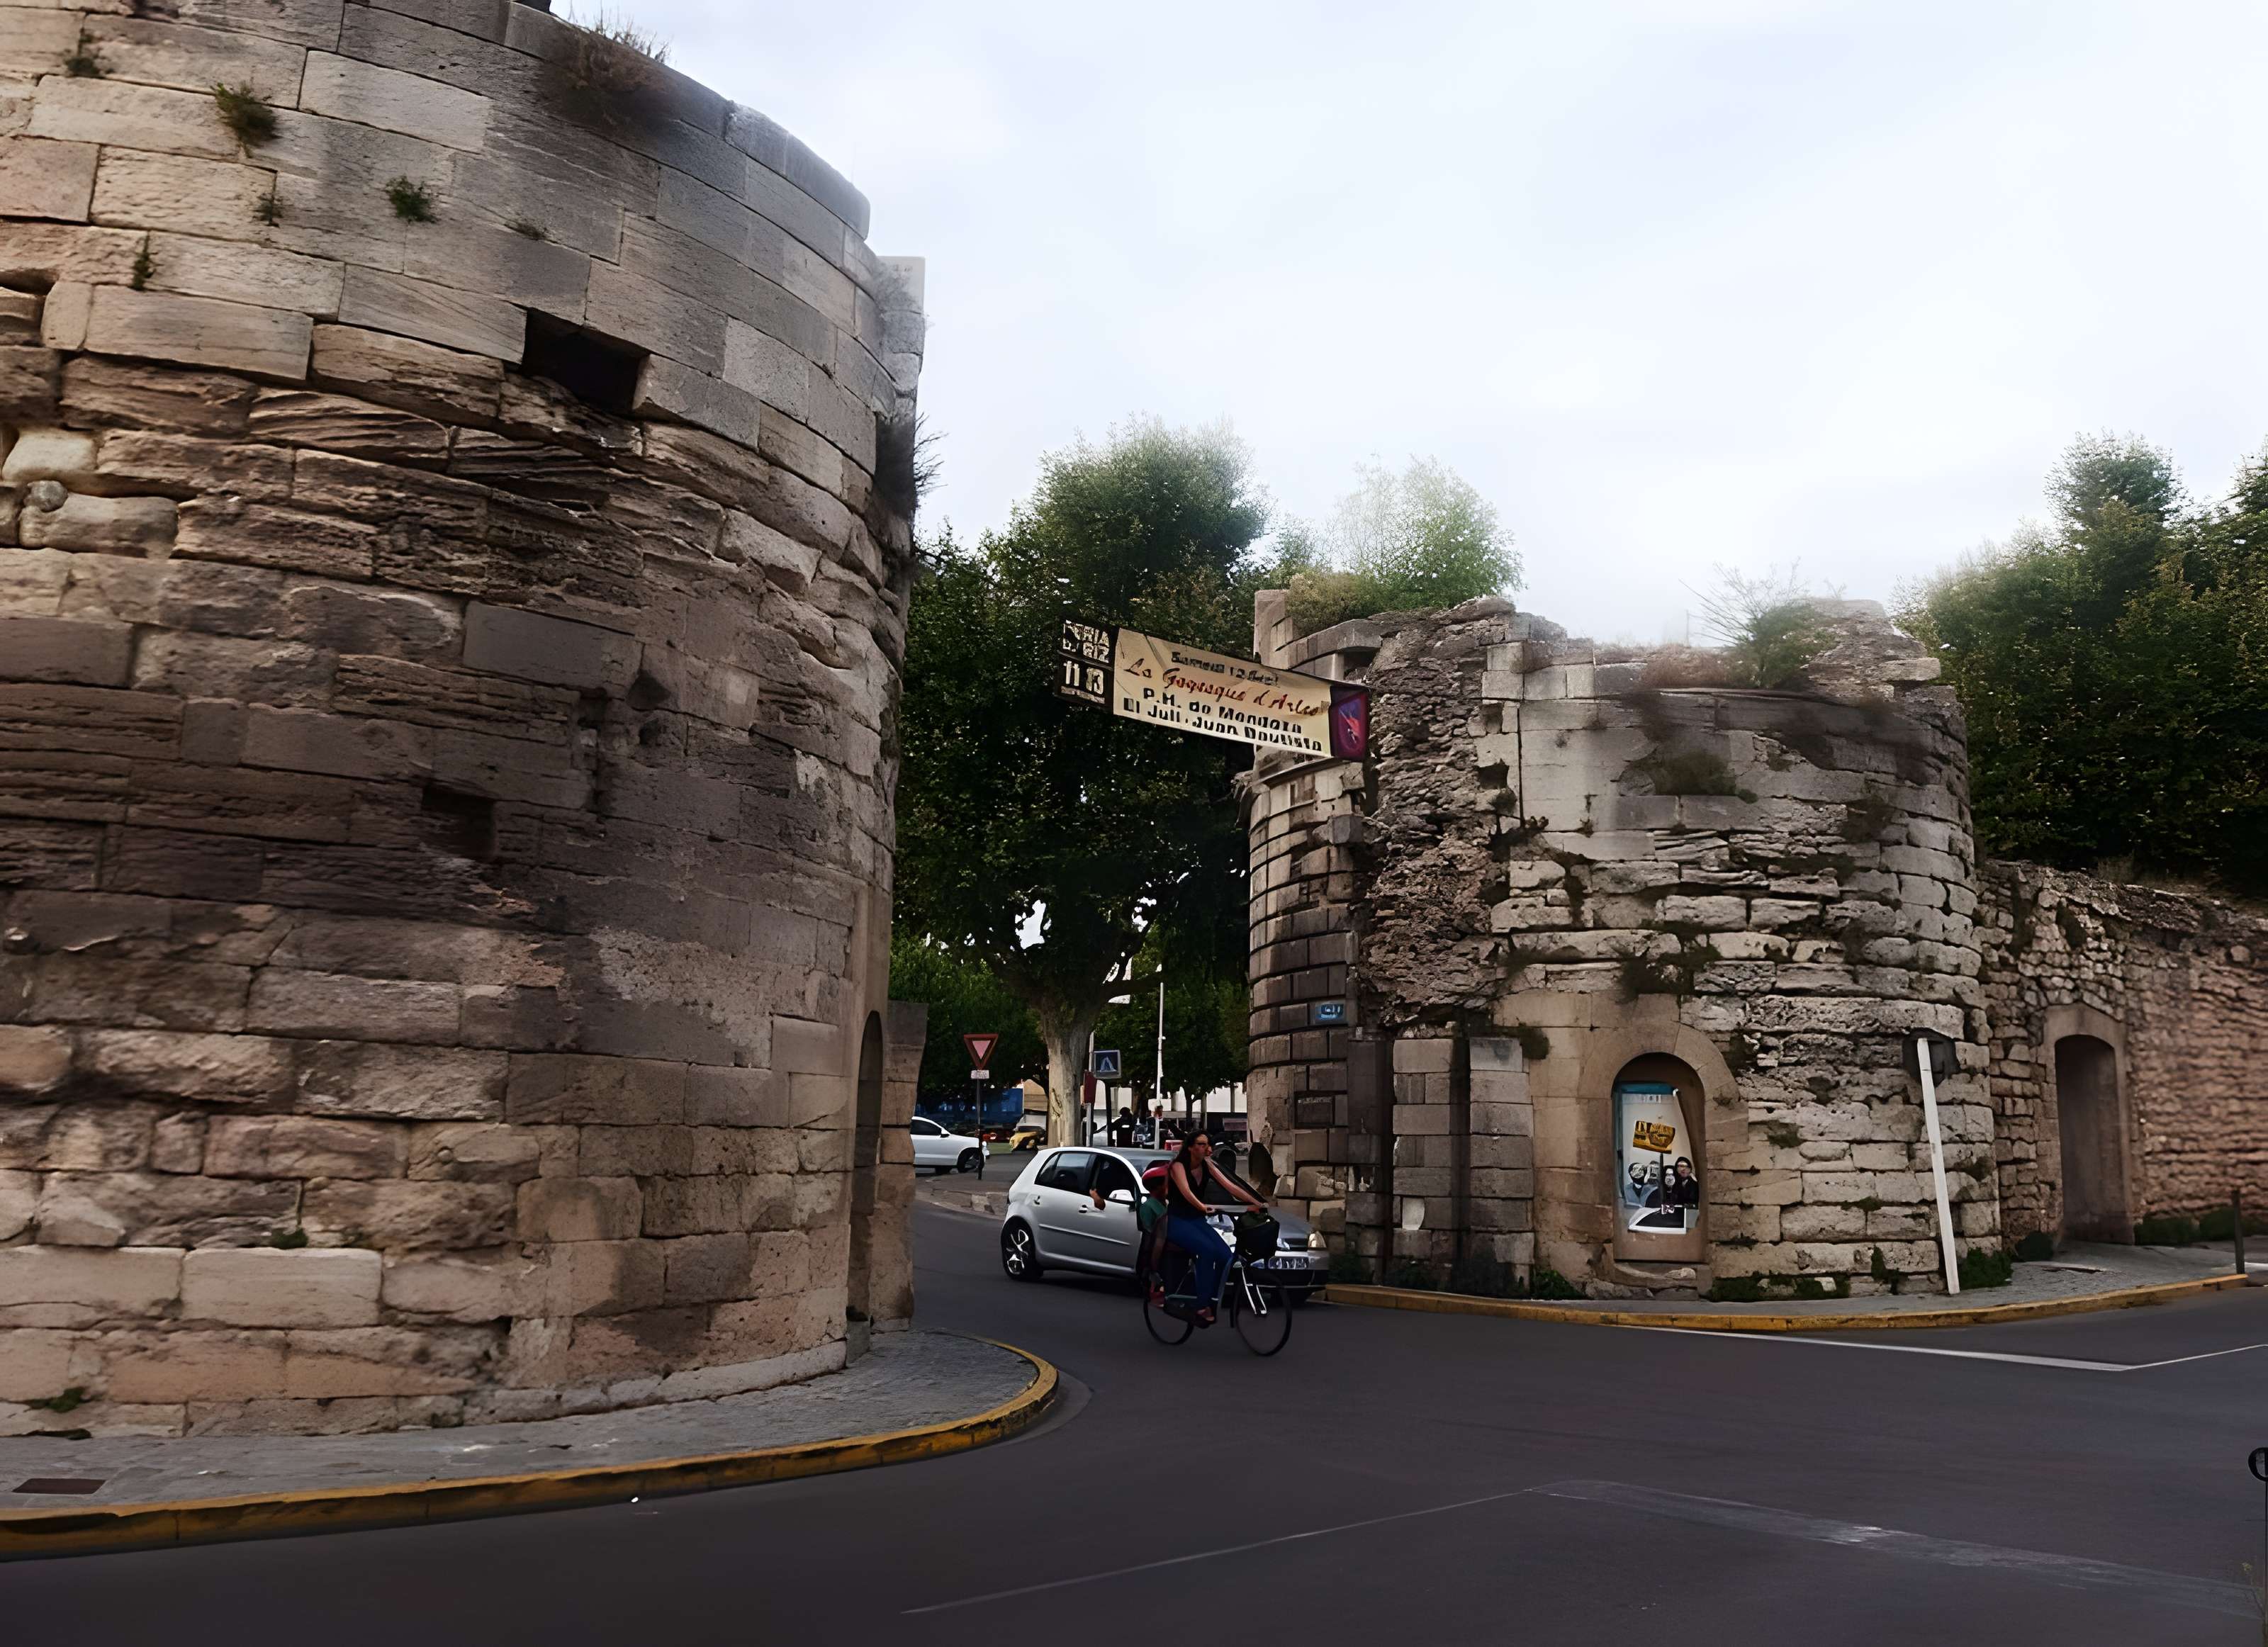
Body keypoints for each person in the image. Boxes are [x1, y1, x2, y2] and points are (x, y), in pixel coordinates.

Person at [1160, 1130, 1265, 1325]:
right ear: (1190, 1148)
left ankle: (1211, 1296)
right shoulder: (1178, 1166)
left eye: (1207, 1144)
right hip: (1177, 1221)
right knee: (1207, 1251)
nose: (1206, 1148)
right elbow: (1187, 1191)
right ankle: (1202, 1306)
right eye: (1201, 1144)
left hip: (1197, 1222)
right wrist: (1201, 1206)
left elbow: (1229, 1186)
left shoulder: (1207, 1165)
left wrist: (1255, 1202)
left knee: (1225, 1256)